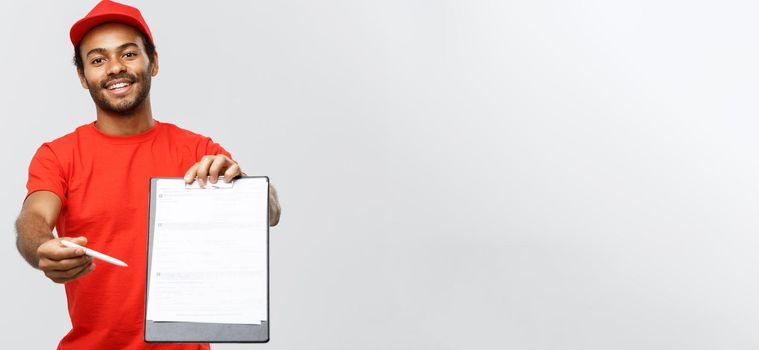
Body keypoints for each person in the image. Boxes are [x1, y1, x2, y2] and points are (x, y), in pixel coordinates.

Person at [13, 1, 281, 349]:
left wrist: (244, 184)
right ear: (83, 77)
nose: (114, 69)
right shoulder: (59, 154)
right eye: (97, 60)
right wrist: (41, 248)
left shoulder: (197, 150)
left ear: (152, 62)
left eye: (128, 54)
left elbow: (271, 211)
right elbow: (32, 218)